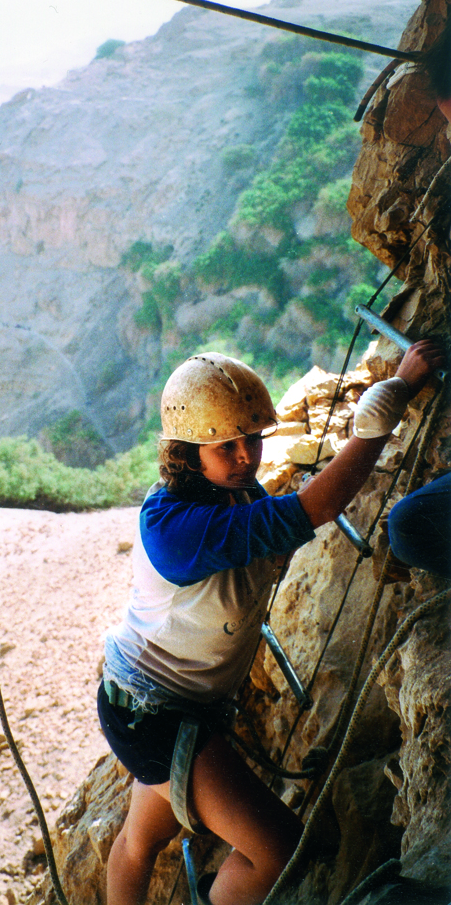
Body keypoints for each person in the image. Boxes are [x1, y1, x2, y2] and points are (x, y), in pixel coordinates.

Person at [97, 340, 443, 905]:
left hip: (155, 704)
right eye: (225, 446)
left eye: (253, 439)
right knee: (280, 851)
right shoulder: (178, 530)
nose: (245, 457)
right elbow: (314, 508)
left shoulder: (228, 493)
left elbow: (278, 525)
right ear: (187, 452)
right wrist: (391, 401)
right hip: (156, 711)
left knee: (141, 840)